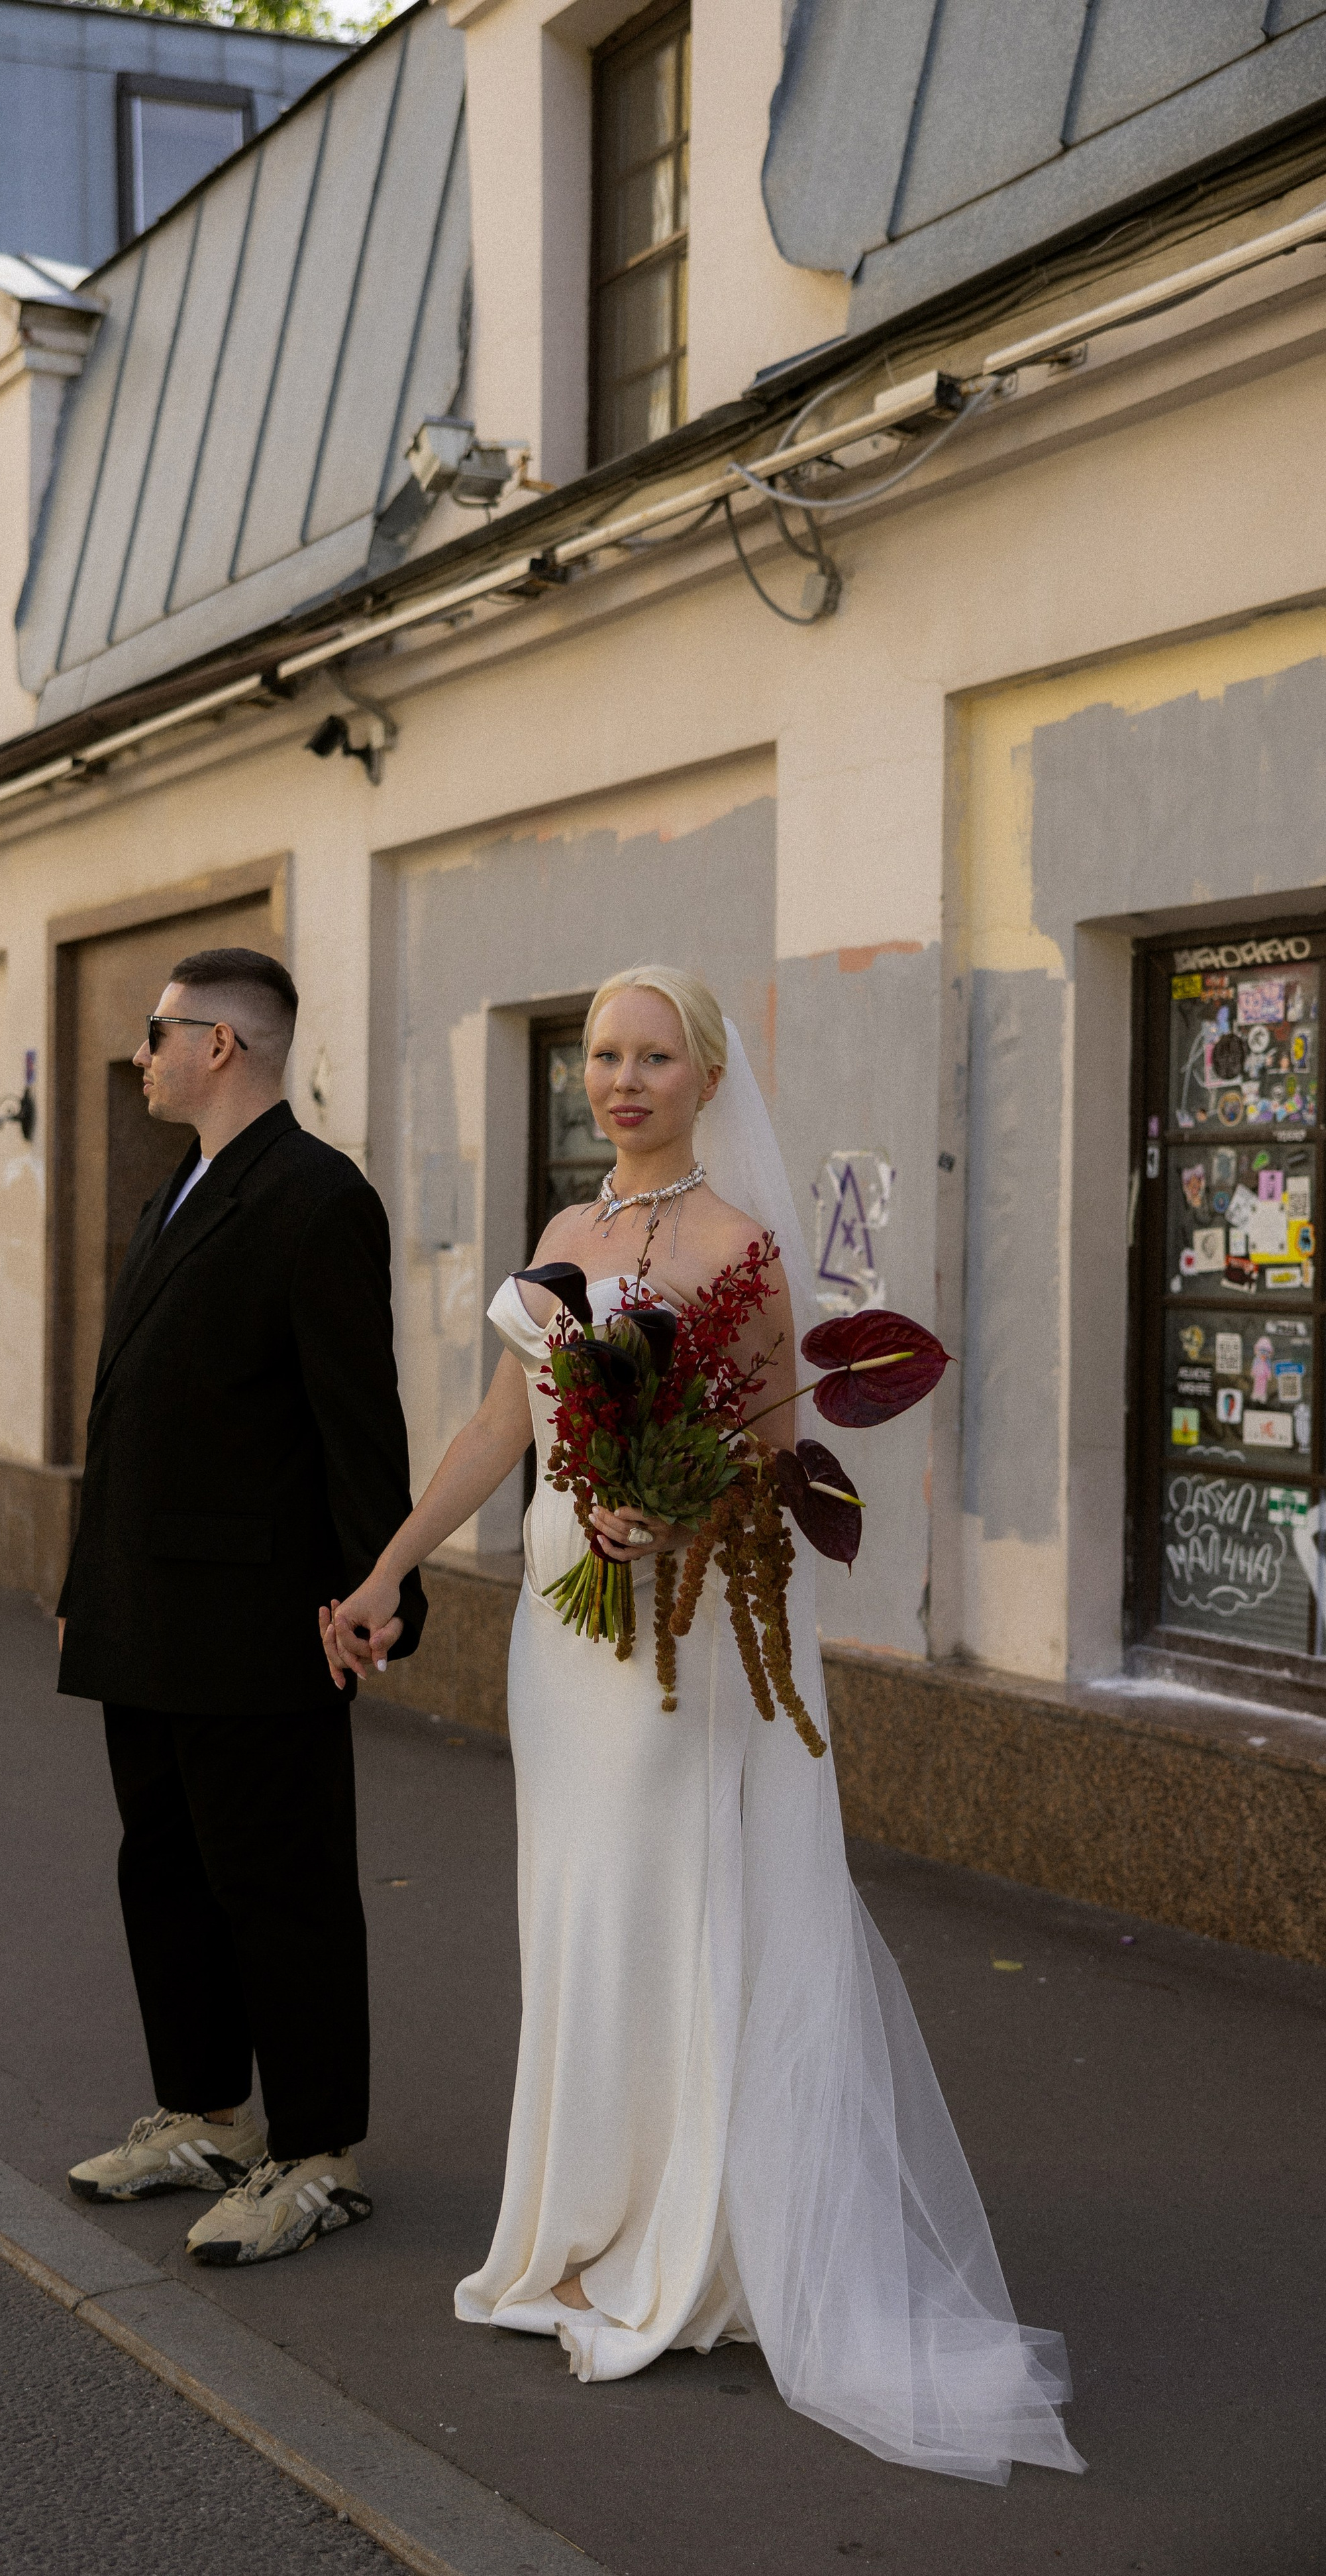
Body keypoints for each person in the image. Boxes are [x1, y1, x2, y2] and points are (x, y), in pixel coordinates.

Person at [325, 965, 1085, 2483]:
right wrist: (387, 1568)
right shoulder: (562, 1234)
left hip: (675, 1644)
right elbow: (501, 1424)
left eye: (650, 1056)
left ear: (703, 1073)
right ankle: (583, 2219)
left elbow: (769, 1464)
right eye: (601, 1055)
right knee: (572, 1913)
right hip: (561, 1629)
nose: (618, 1079)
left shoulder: (740, 1249)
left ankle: (683, 2244)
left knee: (660, 1909)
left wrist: (667, 1520)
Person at [58, 946, 426, 2267]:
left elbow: (353, 1415)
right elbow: (126, 1413)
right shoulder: (177, 1193)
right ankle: (206, 2112)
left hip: (262, 1614)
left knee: (281, 1883)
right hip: (145, 1608)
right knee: (161, 1867)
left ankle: (316, 2153)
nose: (142, 1052)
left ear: (222, 1045)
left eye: (157, 1031)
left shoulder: (317, 1198)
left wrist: (379, 1585)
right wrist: (82, 1584)